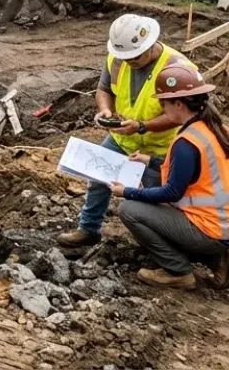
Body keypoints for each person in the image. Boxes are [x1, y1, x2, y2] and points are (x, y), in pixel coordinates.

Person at [59, 13, 196, 248]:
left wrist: (142, 127)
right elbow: (104, 89)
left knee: (159, 199)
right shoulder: (116, 59)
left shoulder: (177, 69)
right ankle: (89, 229)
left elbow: (180, 115)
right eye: (125, 56)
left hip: (160, 146)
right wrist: (105, 110)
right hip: (123, 137)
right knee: (99, 177)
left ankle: (162, 247)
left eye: (135, 56)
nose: (129, 61)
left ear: (151, 44)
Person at [110, 64, 229, 290]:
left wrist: (126, 191)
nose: (162, 108)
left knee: (130, 210)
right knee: (158, 209)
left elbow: (172, 192)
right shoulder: (213, 127)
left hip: (211, 230)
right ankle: (220, 260)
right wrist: (150, 160)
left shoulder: (186, 142)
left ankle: (178, 272)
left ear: (178, 104)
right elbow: (192, 170)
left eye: (163, 103)